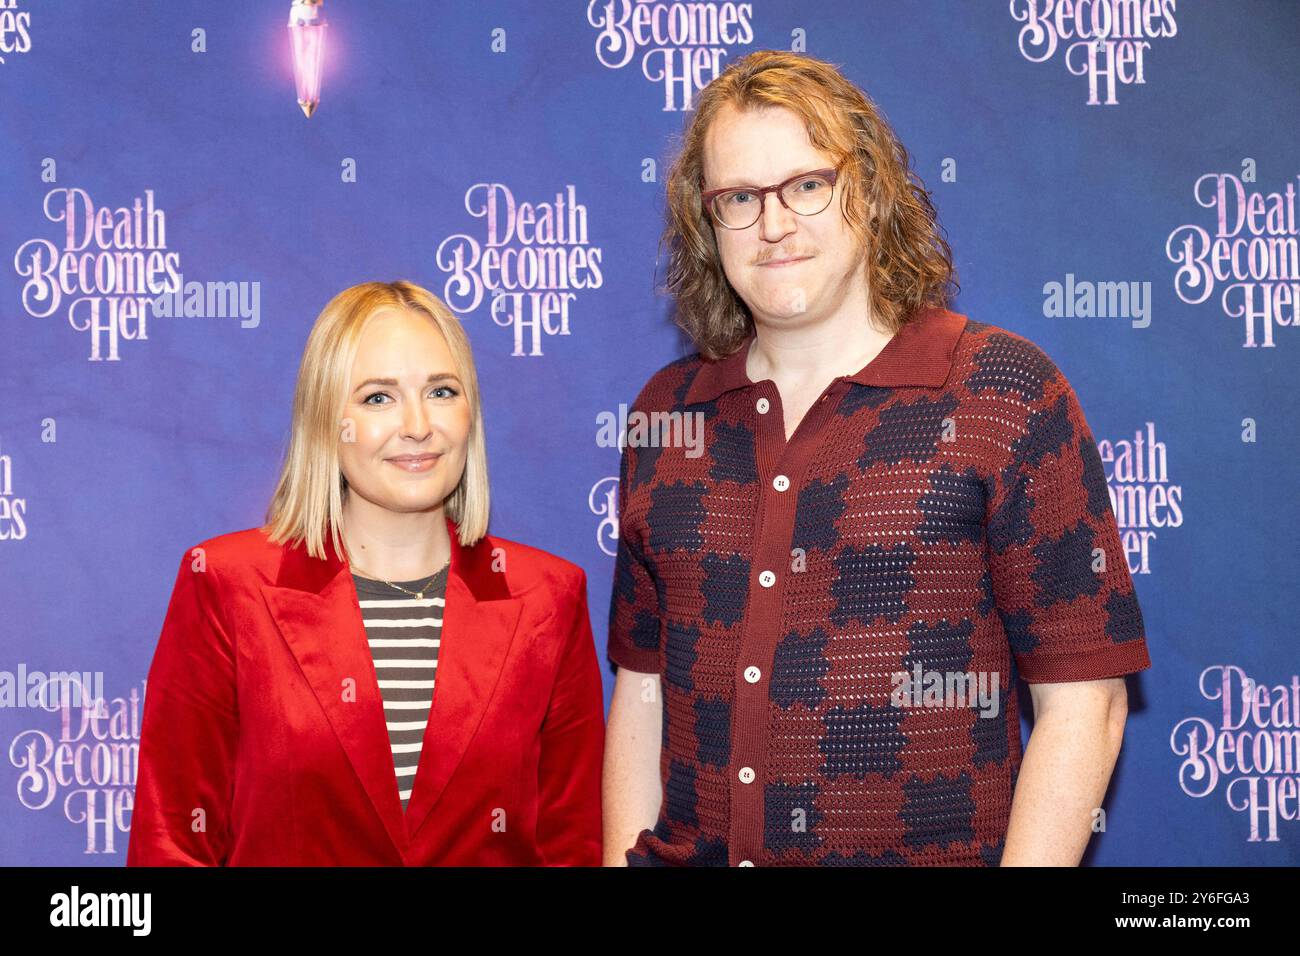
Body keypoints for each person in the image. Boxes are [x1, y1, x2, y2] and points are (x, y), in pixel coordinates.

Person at [602, 51, 1152, 867]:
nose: (774, 224)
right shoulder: (666, 413)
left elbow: (1084, 703)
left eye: (807, 185)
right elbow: (643, 691)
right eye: (740, 199)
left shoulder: (1001, 392)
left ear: (869, 188)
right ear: (705, 224)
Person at [127, 280, 604, 866]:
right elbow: (172, 844)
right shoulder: (227, 586)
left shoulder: (548, 599)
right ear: (327, 419)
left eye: (442, 391)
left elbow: (571, 845)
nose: (418, 425)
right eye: (379, 397)